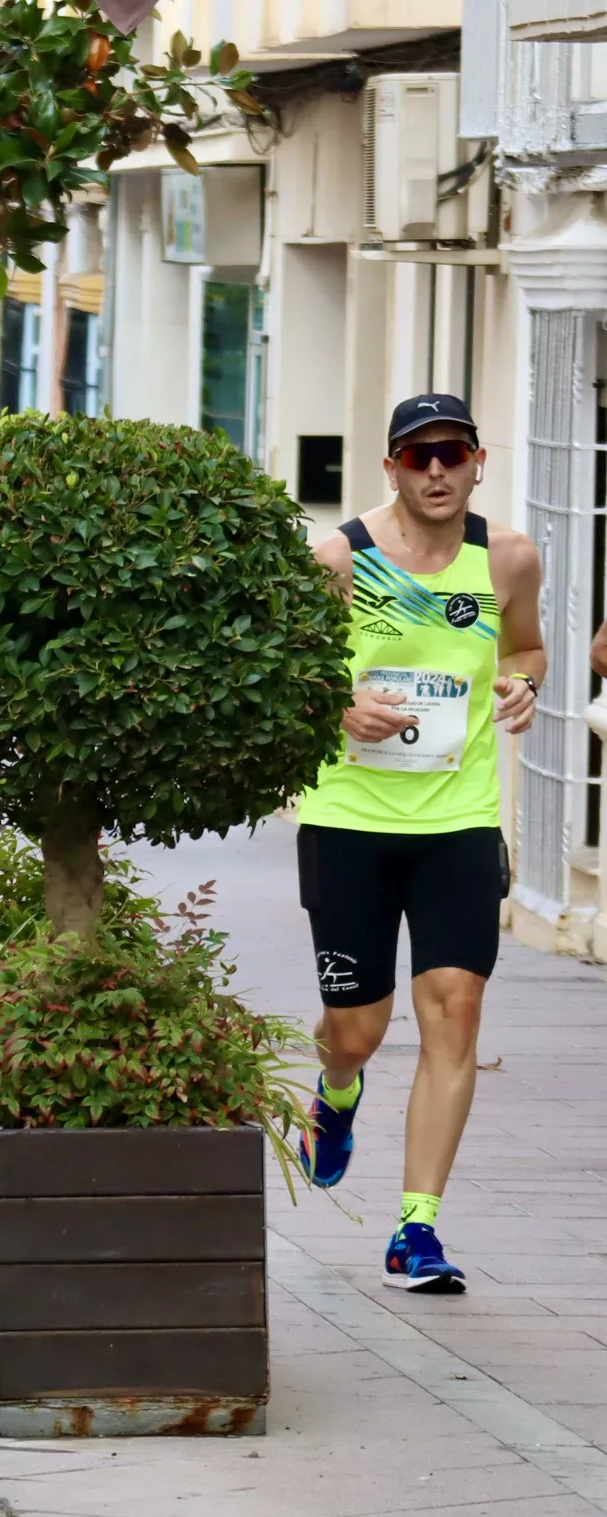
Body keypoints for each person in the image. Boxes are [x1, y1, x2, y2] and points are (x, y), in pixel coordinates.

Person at [297, 394, 544, 1295]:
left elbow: (526, 650)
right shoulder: (339, 559)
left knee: (455, 1012)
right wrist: (335, 701)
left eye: (451, 454)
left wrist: (520, 688)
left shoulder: (508, 556)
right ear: (392, 468)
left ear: (478, 460)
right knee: (360, 1031)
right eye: (416, 457)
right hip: (350, 822)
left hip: (460, 823)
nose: (435, 471)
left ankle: (416, 1227)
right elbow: (284, 670)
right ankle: (336, 1088)